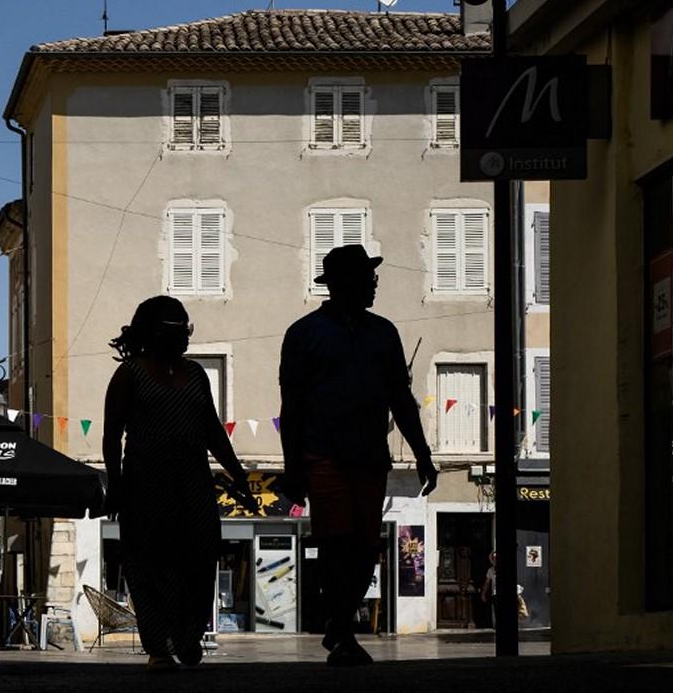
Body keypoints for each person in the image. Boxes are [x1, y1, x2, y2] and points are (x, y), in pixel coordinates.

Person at [279, 244, 438, 666]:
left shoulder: (384, 332)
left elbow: (401, 399)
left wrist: (422, 453)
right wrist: (293, 465)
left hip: (369, 456)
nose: (374, 285)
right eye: (368, 278)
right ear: (343, 284)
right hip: (323, 454)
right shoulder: (304, 334)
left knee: (366, 546)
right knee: (336, 543)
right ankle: (343, 630)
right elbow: (290, 407)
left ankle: (340, 622)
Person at [103, 296, 257, 670]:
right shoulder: (130, 374)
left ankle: (189, 636)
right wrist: (117, 485)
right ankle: (158, 647)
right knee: (149, 566)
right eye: (179, 329)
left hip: (193, 484)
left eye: (188, 328)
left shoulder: (197, 374)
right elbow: (111, 436)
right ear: (155, 332)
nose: (187, 336)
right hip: (145, 485)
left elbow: (213, 431)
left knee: (200, 561)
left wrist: (238, 475)